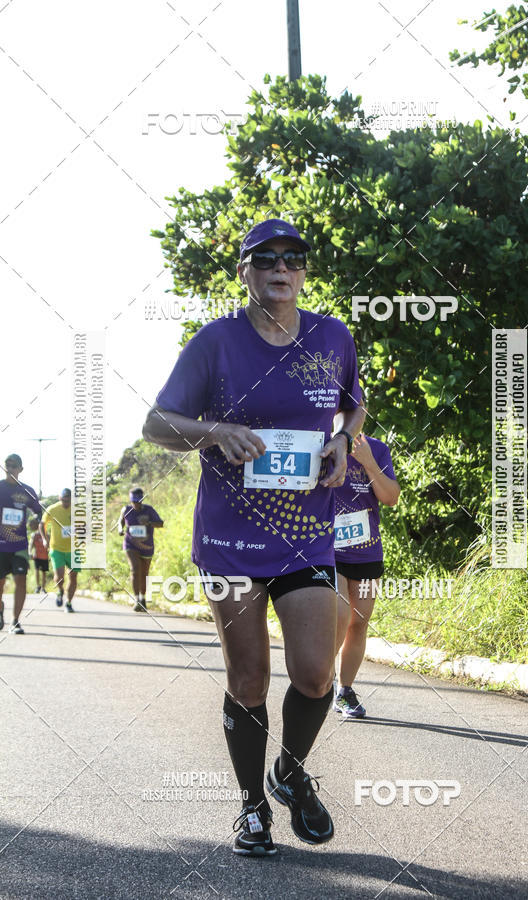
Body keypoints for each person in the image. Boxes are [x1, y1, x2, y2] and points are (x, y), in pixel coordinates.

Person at [143, 218, 365, 857]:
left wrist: (344, 440)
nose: (281, 267)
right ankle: (250, 808)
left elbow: (355, 403)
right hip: (232, 540)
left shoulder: (331, 337)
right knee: (248, 680)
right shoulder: (215, 343)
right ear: (244, 271)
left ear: (303, 270)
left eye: (293, 258)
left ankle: (289, 773)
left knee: (317, 675)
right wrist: (215, 433)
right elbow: (156, 423)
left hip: (307, 535)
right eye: (264, 257)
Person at [333, 432, 399, 718]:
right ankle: (317, 683)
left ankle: (344, 690)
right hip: (325, 550)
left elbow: (391, 497)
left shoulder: (378, 449)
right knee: (338, 614)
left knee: (358, 623)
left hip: (366, 550)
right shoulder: (318, 443)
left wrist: (369, 462)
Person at [0, 454, 43, 633]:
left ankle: (15, 621)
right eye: (7, 465)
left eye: (14, 466)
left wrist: (36, 520)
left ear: (20, 469)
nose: (10, 468)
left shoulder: (28, 491)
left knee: (21, 581)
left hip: (19, 546)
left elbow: (39, 513)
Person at [118, 487, 163, 612]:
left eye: (139, 501)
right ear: (130, 500)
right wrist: (120, 529)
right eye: (134, 501)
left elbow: (160, 523)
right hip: (130, 545)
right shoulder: (126, 510)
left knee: (144, 573)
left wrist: (148, 522)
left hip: (147, 546)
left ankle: (142, 599)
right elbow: (120, 521)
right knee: (135, 569)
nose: (136, 504)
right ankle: (137, 598)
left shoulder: (149, 510)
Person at [41, 488, 79, 612]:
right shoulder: (53, 509)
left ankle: (68, 603)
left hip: (74, 549)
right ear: (60, 498)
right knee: (59, 577)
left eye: (68, 499)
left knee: (73, 577)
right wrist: (44, 539)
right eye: (64, 499)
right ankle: (60, 591)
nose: (66, 501)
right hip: (57, 548)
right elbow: (42, 524)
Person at [28, 517, 49, 593]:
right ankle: (38, 586)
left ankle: (43, 588)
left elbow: (50, 545)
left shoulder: (47, 535)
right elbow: (31, 545)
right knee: (37, 571)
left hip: (45, 556)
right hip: (37, 556)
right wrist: (30, 553)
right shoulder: (34, 535)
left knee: (44, 572)